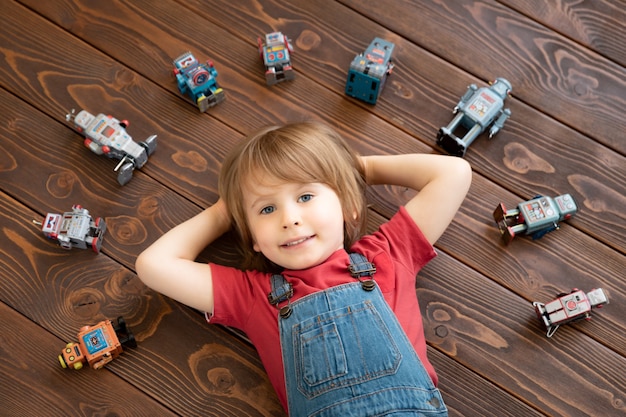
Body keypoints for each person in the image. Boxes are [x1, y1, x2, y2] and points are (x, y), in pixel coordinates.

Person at [135, 122, 472, 416]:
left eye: (306, 196)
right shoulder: (253, 296)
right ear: (251, 236)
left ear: (349, 207)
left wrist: (353, 169)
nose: (289, 218)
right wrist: (228, 212)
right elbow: (153, 265)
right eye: (266, 208)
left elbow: (453, 173)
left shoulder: (386, 256)